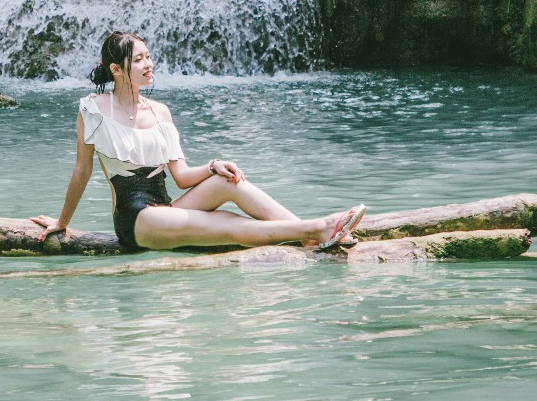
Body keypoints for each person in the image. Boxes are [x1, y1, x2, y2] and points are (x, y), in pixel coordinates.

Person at [32, 32, 367, 252]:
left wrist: (211, 166)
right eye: (138, 60)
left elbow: (181, 178)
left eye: (148, 56)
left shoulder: (160, 112)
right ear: (117, 70)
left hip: (168, 207)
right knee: (229, 224)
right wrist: (62, 224)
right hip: (138, 220)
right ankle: (320, 228)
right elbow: (82, 171)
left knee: (228, 182)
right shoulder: (94, 109)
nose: (148, 64)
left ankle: (310, 233)